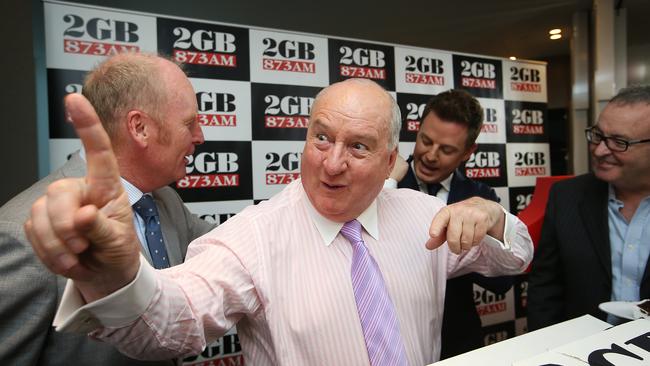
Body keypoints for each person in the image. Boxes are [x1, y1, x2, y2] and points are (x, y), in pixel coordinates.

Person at [25, 77, 534, 365]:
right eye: (321, 138)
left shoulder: (426, 217)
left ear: (388, 160)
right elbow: (165, 326)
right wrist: (117, 277)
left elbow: (517, 255)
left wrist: (491, 216)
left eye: (358, 147)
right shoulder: (253, 237)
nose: (332, 163)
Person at [0, 53, 214, 365]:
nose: (200, 137)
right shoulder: (20, 234)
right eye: (190, 123)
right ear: (139, 127)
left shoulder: (165, 201)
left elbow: (235, 242)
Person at [386, 89, 513, 358]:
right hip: (394, 341)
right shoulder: (386, 183)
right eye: (425, 140)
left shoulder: (480, 199)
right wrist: (388, 185)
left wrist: (459, 243)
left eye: (446, 149)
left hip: (459, 342)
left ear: (468, 151)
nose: (431, 156)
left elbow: (502, 283)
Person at [528, 85, 650, 330]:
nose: (600, 150)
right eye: (597, 135)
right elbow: (545, 287)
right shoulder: (567, 197)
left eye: (619, 142)